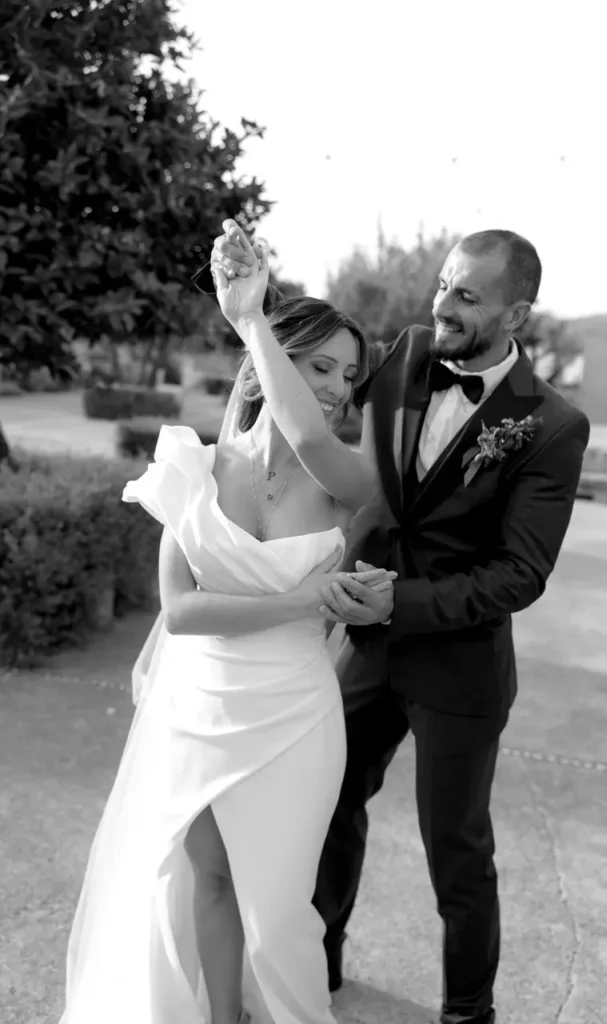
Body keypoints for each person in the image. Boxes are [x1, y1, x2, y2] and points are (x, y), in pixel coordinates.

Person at [209, 224, 591, 1024]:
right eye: (443, 284)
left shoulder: (551, 426)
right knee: (329, 810)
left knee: (457, 850)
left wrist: (404, 603)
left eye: (467, 295)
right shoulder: (410, 353)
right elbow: (316, 393)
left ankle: (467, 1010)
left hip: (460, 667)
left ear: (516, 315)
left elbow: (520, 573)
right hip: (363, 649)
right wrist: (259, 304)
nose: (442, 305)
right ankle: (321, 968)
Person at [59, 227, 398, 1024]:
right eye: (319, 365)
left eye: (350, 376)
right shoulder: (196, 466)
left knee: (279, 909)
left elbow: (312, 435)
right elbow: (181, 611)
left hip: (294, 710)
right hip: (199, 705)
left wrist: (250, 317)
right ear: (275, 364)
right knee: (206, 878)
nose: (337, 388)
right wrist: (306, 601)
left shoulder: (351, 480)